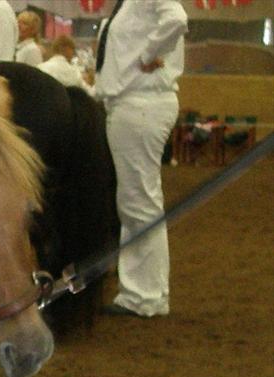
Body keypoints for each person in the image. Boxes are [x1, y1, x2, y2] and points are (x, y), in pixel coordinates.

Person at [95, 0, 188, 318]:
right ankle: (147, 291)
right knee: (140, 200)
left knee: (139, 201)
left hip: (141, 103)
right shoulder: (126, 4)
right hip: (133, 104)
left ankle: (144, 297)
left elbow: (176, 18)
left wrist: (149, 54)